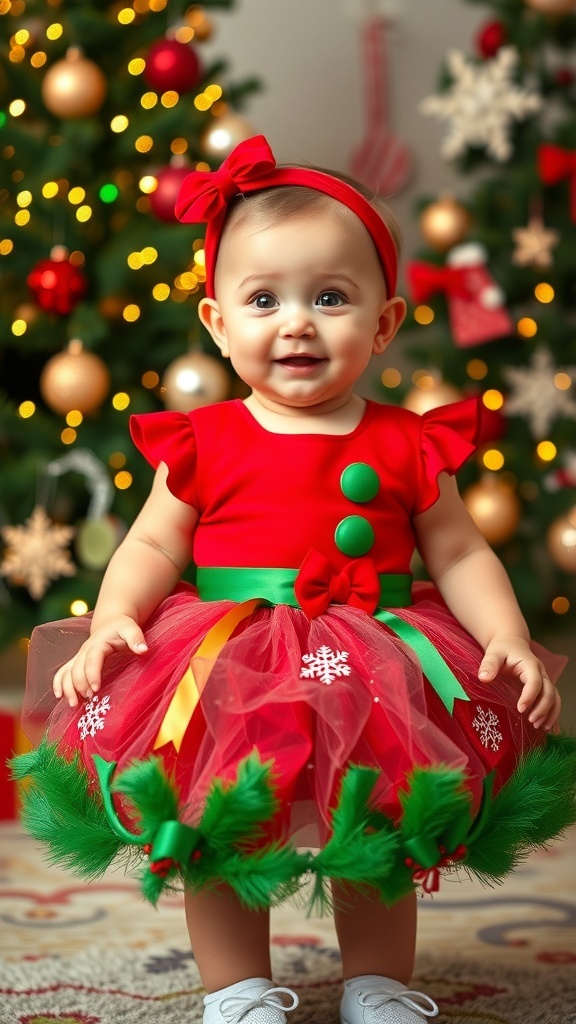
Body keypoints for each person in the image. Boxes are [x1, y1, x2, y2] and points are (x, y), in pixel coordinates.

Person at [12, 135, 576, 1024]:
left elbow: (461, 552)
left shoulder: (409, 441)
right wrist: (118, 613)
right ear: (217, 322)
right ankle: (237, 989)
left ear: (384, 323)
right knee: (222, 818)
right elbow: (153, 544)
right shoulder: (204, 440)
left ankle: (378, 982)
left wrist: (504, 633)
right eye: (264, 299)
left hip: (377, 656)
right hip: (231, 659)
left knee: (376, 813)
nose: (298, 323)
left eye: (330, 297)